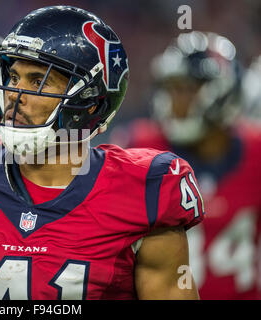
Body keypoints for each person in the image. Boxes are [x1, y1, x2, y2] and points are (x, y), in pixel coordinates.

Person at [0, 6, 204, 300]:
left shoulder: (145, 193)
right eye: (13, 77)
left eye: (38, 81)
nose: (15, 93)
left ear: (90, 101)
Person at [112, 31, 261, 299]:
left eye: (187, 89)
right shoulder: (138, 148)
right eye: (172, 90)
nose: (176, 101)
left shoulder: (256, 151)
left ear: (223, 89)